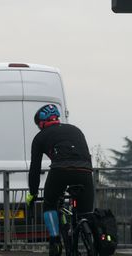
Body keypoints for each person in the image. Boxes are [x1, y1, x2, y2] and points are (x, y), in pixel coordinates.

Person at [26, 104, 94, 256]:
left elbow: (35, 169)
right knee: (86, 213)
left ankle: (55, 241)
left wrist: (33, 193)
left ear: (42, 123)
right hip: (85, 171)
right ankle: (92, 238)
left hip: (60, 170)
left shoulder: (40, 137)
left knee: (49, 204)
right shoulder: (75, 129)